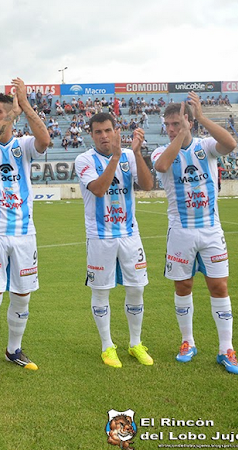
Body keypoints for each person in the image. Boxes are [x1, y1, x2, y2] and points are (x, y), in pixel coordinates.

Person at [151, 91, 238, 375]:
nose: (170, 129)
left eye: (175, 124)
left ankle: (225, 348)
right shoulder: (161, 150)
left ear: (188, 121)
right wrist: (181, 135)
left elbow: (230, 144)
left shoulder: (206, 146)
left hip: (211, 231)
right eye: (167, 125)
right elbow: (162, 166)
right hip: (181, 233)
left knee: (219, 287)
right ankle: (187, 342)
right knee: (183, 287)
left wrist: (201, 118)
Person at [0, 79, 50, 388]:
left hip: (23, 233)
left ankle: (13, 349)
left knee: (22, 297)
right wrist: (10, 116)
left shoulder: (24, 146)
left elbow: (44, 142)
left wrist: (25, 106)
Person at [75, 114, 154, 368]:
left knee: (136, 289)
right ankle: (107, 347)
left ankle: (135, 344)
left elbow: (148, 185)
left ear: (116, 131)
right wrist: (117, 157)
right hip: (100, 237)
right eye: (98, 132)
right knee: (101, 292)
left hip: (130, 235)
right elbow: (98, 189)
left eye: (108, 130)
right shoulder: (84, 160)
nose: (104, 136)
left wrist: (137, 153)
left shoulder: (130, 156)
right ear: (91, 135)